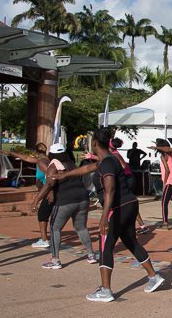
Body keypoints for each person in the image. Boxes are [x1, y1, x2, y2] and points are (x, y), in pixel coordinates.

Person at [53, 127, 165, 302]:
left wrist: (104, 217)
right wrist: (65, 175)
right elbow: (86, 169)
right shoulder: (108, 160)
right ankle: (154, 277)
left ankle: (105, 290)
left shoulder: (106, 163)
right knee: (131, 242)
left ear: (95, 143)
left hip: (117, 208)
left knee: (105, 247)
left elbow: (110, 189)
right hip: (130, 204)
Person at [32, 144, 96, 269]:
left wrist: (36, 199)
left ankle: (55, 260)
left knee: (55, 228)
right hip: (82, 198)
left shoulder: (53, 165)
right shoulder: (72, 163)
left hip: (65, 200)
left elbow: (49, 184)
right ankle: (91, 255)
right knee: (81, 227)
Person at [4, 142, 52, 248]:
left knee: (42, 215)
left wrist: (38, 198)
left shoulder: (42, 162)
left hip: (48, 192)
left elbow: (50, 178)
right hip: (46, 192)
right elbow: (26, 158)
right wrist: (11, 153)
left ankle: (44, 240)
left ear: (35, 152)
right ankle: (46, 238)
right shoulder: (43, 159)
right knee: (44, 215)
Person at [156, 138, 172, 230]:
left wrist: (164, 182)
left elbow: (167, 170)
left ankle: (165, 223)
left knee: (164, 202)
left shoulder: (163, 156)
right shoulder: (171, 154)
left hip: (170, 180)